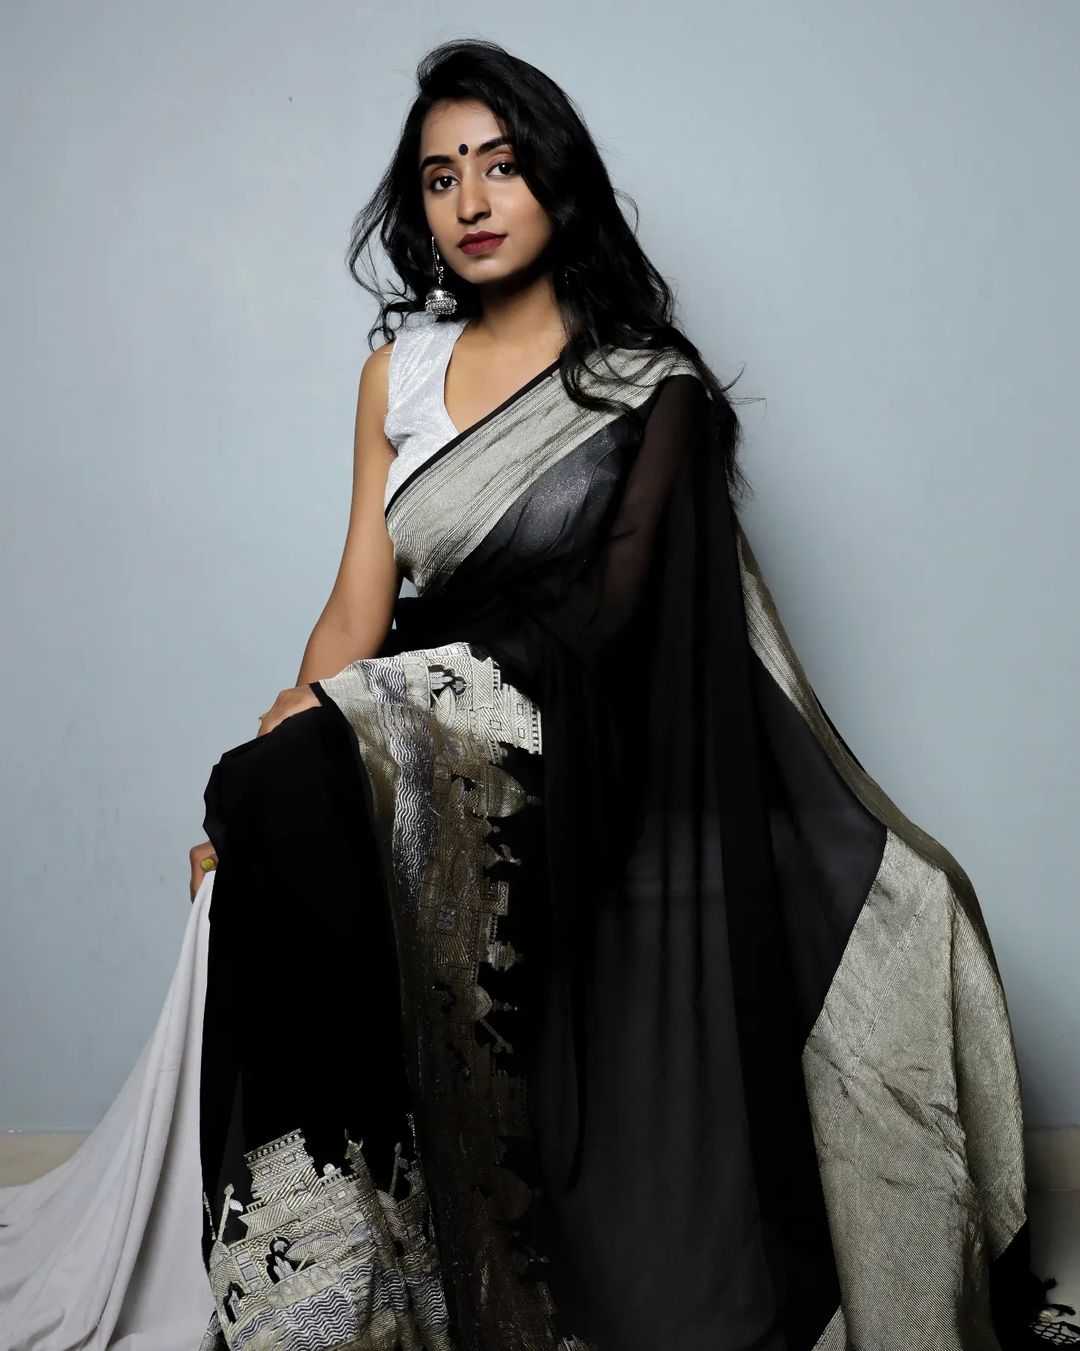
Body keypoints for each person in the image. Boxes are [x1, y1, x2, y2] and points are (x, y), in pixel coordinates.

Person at [1, 36, 1074, 1351]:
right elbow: (356, 598)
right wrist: (312, 714)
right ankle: (355, 1248)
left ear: (556, 183)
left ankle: (437, 1234)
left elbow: (605, 624)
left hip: (563, 731)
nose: (472, 201)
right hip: (409, 700)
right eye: (443, 177)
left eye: (500, 167)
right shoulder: (396, 376)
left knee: (294, 779)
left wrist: (369, 715)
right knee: (262, 789)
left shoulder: (647, 387)